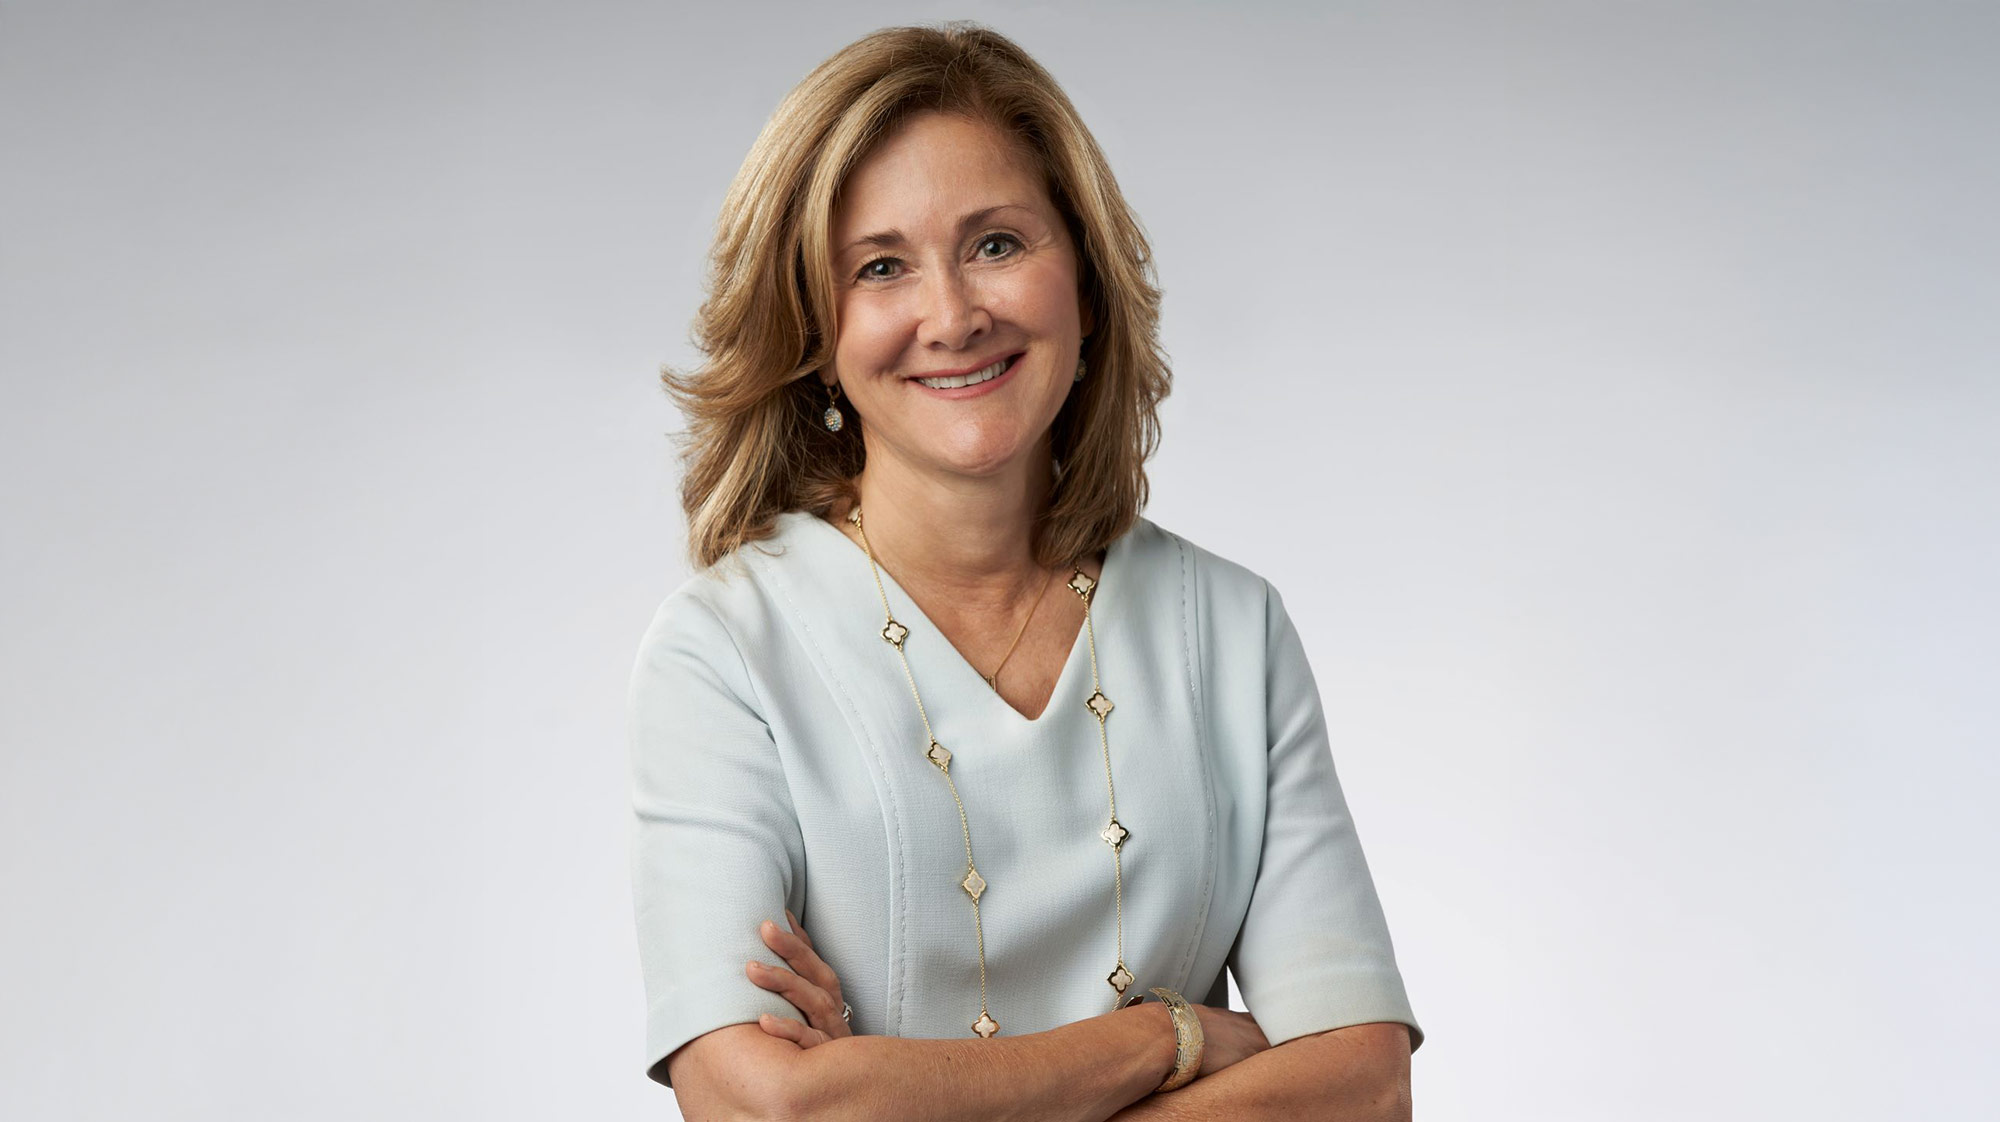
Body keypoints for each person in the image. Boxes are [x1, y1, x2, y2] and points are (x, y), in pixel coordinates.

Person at [627, 21, 1423, 1121]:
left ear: (1085, 284)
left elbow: (1365, 1086)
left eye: (996, 244)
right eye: (880, 267)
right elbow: (766, 1107)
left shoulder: (1231, 630)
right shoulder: (722, 651)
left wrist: (897, 1094)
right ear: (813, 330)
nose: (953, 316)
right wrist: (1171, 1037)